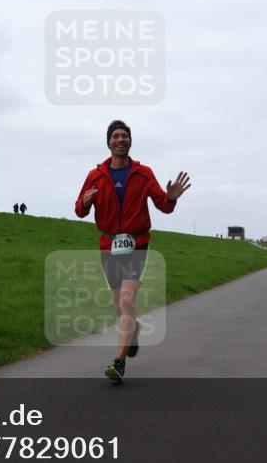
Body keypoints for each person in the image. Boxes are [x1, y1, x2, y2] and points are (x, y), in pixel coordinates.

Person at [75, 120, 191, 383]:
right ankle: (133, 328)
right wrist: (84, 202)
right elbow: (79, 210)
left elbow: (164, 206)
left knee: (127, 301)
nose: (120, 139)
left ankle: (119, 363)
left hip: (137, 244)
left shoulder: (143, 173)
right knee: (119, 306)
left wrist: (171, 196)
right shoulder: (95, 176)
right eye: (115, 136)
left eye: (124, 135)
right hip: (108, 245)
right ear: (109, 143)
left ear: (129, 141)